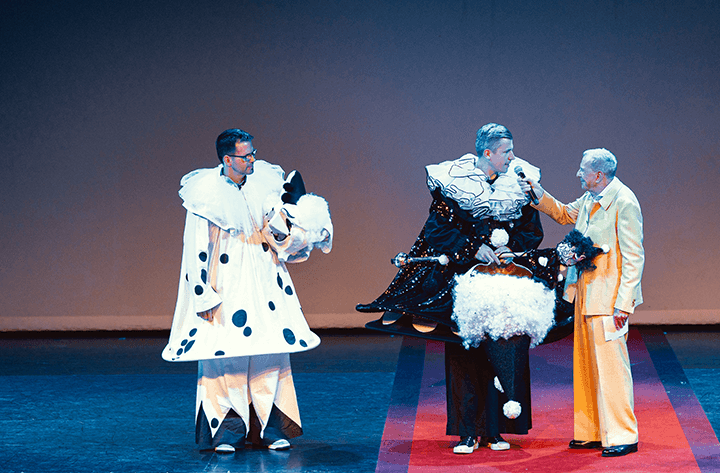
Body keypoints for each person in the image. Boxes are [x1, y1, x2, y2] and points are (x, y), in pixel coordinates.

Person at [357, 123, 545, 454]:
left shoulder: (519, 182)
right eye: (506, 152)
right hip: (466, 280)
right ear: (488, 153)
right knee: (465, 353)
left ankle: (496, 431)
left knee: (503, 350)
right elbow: (437, 230)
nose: (512, 157)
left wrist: (511, 247)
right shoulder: (456, 183)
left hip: (503, 279)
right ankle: (468, 432)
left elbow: (532, 231)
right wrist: (472, 248)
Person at [162, 129, 333, 452]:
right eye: (245, 156)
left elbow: (277, 233)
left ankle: (270, 428)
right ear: (228, 159)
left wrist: (306, 231)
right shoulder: (205, 194)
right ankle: (227, 432)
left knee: (269, 351)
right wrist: (202, 292)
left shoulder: (264, 184)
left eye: (253, 153)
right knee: (226, 357)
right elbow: (195, 247)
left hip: (264, 280)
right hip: (227, 283)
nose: (252, 159)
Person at [521, 148, 644, 458]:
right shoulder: (591, 198)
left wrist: (624, 304)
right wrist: (538, 193)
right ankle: (591, 432)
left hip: (609, 300)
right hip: (586, 295)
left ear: (598, 174)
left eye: (582, 169)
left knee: (612, 370)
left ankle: (623, 434)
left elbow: (634, 257)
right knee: (586, 367)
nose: (578, 174)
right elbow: (564, 213)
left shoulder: (624, 201)